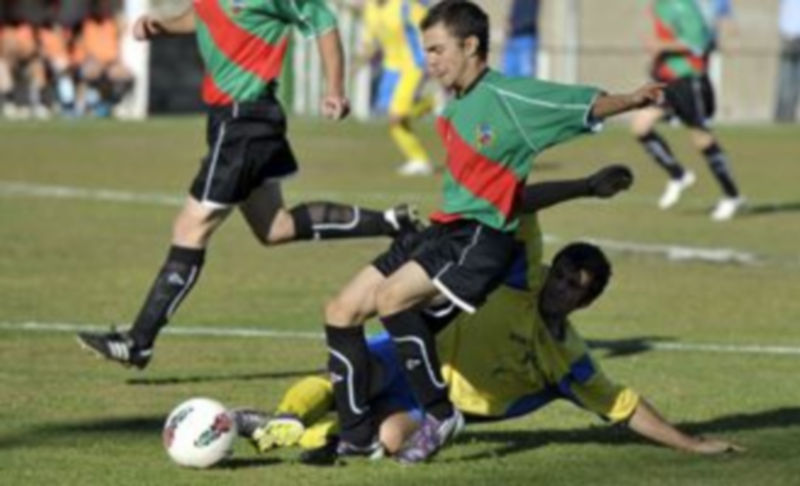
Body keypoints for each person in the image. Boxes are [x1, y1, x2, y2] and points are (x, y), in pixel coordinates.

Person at [322, 0, 667, 463]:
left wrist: (631, 99)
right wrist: (586, 186)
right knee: (341, 310)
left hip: (479, 240)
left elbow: (576, 102)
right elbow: (508, 188)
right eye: (427, 51)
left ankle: (439, 414)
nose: (432, 61)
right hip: (441, 230)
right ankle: (358, 434)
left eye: (438, 49)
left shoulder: (510, 98)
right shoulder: (458, 105)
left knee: (391, 300)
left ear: (470, 45)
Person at [231, 169, 742, 463]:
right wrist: (587, 185)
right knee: (348, 370)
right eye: (561, 273)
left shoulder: (564, 357)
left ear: (586, 303)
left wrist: (691, 443)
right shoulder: (522, 272)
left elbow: (624, 406)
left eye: (574, 288)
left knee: (385, 439)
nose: (559, 287)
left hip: (445, 401)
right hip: (418, 353)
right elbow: (519, 198)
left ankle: (306, 434)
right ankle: (284, 421)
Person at [76, 0, 419, 370]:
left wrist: (334, 88)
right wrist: (162, 25)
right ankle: (392, 222)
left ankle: (138, 341)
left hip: (245, 121)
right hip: (234, 120)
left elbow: (323, 22)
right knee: (275, 227)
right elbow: (203, 13)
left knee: (191, 226)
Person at [631, 0, 743, 221]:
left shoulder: (684, 5)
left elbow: (698, 42)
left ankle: (731, 195)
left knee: (700, 137)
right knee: (640, 126)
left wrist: (662, 46)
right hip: (666, 80)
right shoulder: (659, 6)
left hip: (689, 80)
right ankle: (678, 175)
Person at [360, 0, 434, 176]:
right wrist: (364, 53)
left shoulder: (404, 6)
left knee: (397, 115)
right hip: (391, 67)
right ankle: (419, 160)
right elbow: (369, 38)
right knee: (391, 117)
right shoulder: (370, 8)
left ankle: (430, 104)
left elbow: (429, 27)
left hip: (412, 64)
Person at [70, 0, 133, 117]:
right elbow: (80, 49)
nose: (100, 8)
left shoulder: (112, 22)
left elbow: (123, 32)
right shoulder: (85, 23)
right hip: (92, 62)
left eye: (103, 5)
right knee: (86, 73)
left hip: (111, 63)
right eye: (97, 5)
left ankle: (111, 105)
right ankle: (79, 108)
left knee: (126, 75)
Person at [775, 0, 800, 123]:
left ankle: (790, 114)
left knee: (796, 79)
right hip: (789, 33)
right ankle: (782, 115)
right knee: (786, 77)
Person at [502, 0, 540, 78]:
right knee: (508, 73)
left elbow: (529, 18)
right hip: (513, 37)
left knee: (525, 72)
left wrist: (515, 25)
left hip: (526, 36)